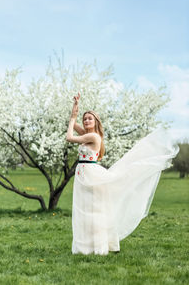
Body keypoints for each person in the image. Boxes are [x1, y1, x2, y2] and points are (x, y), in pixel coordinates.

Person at [66, 93, 179, 255]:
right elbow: (74, 125)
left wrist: (72, 118)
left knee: (93, 210)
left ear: (96, 122)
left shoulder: (93, 136)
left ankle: (98, 246)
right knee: (85, 209)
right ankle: (89, 246)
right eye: (85, 119)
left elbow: (69, 136)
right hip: (84, 174)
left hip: (90, 174)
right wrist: (74, 111)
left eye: (90, 118)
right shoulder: (87, 134)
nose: (86, 121)